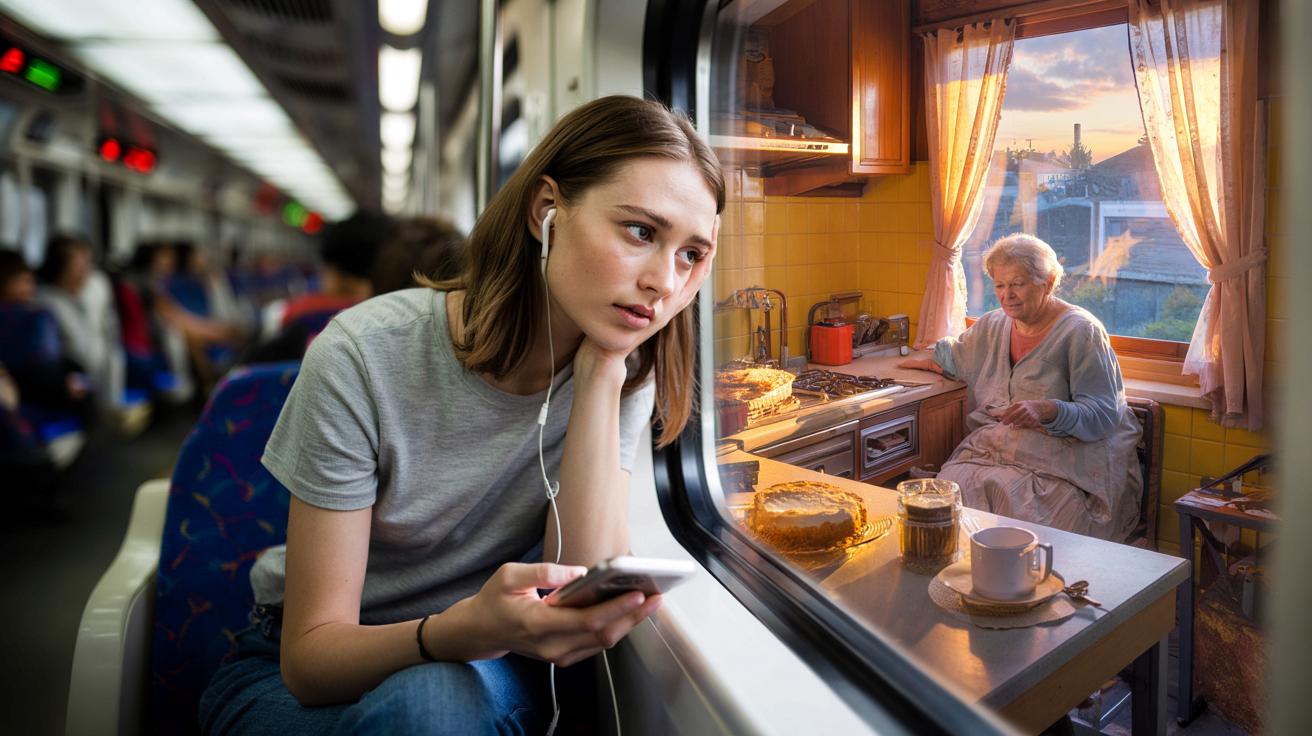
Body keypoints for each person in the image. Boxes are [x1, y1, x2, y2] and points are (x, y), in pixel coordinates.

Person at [199, 95, 722, 734]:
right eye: (641, 231)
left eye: (692, 254)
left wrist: (600, 375)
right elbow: (309, 659)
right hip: (313, 667)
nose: (665, 282)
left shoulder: (623, 362)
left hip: (480, 661)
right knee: (428, 705)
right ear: (546, 211)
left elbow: (575, 581)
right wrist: (453, 631)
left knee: (434, 702)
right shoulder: (364, 354)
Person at [900, 233, 1142, 541]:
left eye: (1018, 283)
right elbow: (953, 356)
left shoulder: (1082, 331)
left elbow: (1104, 413)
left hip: (1067, 457)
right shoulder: (993, 325)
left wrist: (1048, 409)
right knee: (950, 492)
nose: (1007, 295)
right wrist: (905, 359)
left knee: (1030, 515)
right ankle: (967, 580)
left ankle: (1026, 583)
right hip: (998, 448)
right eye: (999, 285)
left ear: (1048, 281)